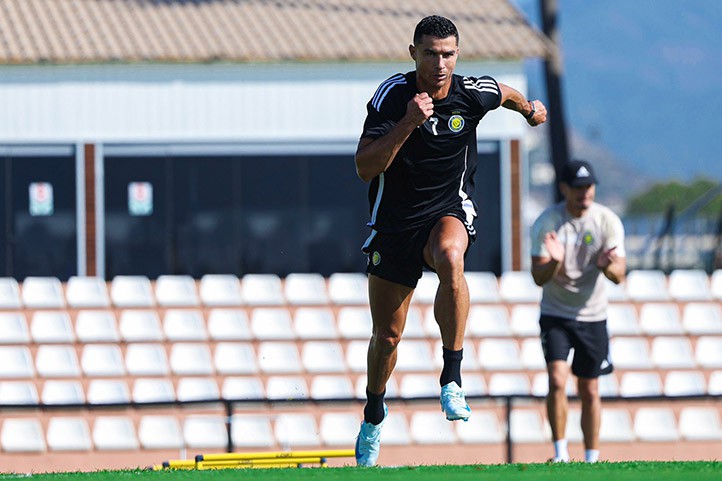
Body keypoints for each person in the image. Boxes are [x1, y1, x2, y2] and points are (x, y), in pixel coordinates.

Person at [353, 15, 547, 467]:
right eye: (431, 54)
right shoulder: (392, 97)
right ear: (413, 54)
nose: (440, 63)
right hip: (395, 225)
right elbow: (365, 166)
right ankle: (374, 414)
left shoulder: (470, 92)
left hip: (448, 210)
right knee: (387, 336)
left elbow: (506, 93)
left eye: (448, 54)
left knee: (451, 256)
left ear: (456, 55)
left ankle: (452, 377)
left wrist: (530, 109)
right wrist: (407, 123)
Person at [530, 159, 626, 463]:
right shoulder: (548, 222)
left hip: (593, 315)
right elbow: (538, 276)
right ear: (564, 189)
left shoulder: (607, 221)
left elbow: (620, 274)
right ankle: (560, 454)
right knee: (557, 379)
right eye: (578, 187)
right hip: (556, 313)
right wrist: (555, 262)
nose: (584, 193)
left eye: (588, 186)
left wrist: (606, 266)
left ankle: (591, 457)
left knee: (590, 388)